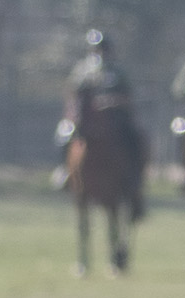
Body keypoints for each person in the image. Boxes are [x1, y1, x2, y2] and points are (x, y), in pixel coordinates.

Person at [53, 28, 146, 202]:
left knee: (137, 136)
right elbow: (72, 94)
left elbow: (128, 96)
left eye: (103, 49)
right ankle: (64, 171)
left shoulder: (117, 72)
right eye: (97, 48)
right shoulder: (82, 71)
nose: (100, 52)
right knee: (63, 133)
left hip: (114, 118)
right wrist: (73, 113)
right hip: (86, 118)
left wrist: (112, 101)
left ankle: (135, 176)